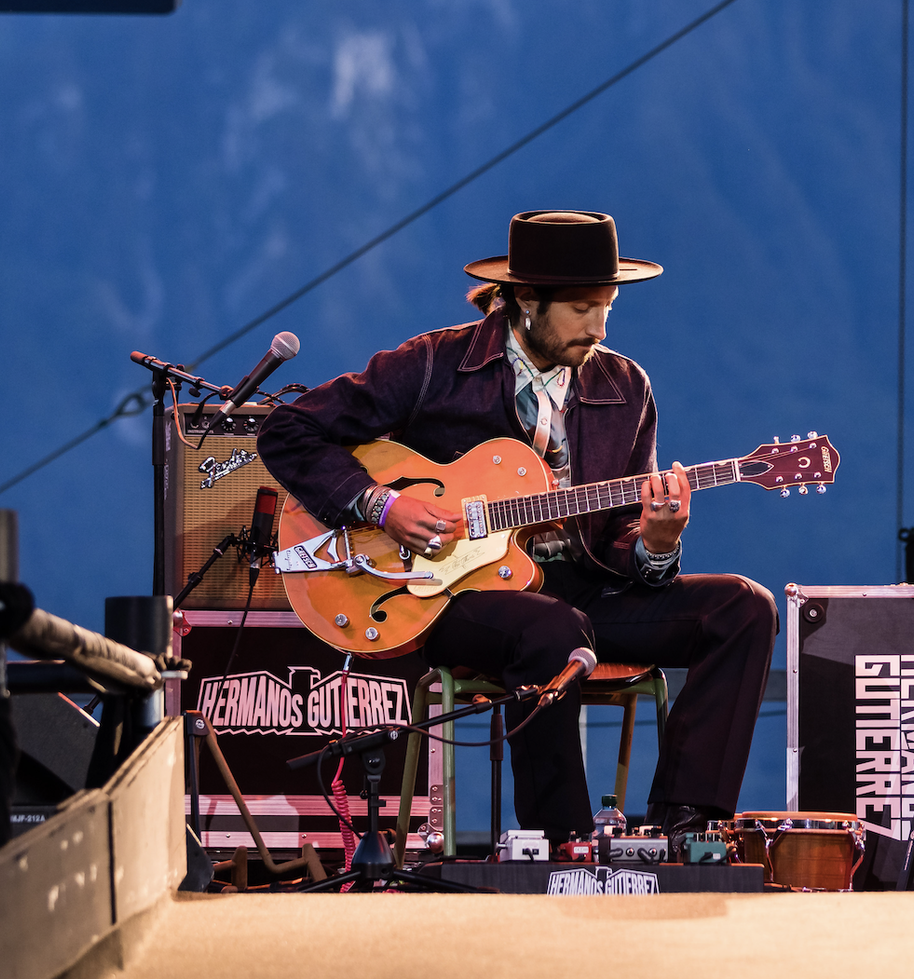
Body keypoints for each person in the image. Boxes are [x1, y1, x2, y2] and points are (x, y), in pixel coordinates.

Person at [258, 209, 776, 845]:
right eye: (582, 308)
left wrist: (654, 547)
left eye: (607, 306)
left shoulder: (625, 388)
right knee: (553, 630)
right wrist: (383, 507)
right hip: (455, 600)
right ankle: (563, 844)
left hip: (582, 593)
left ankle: (686, 827)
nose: (599, 327)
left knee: (744, 608)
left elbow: (617, 542)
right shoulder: (432, 366)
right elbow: (287, 431)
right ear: (525, 301)